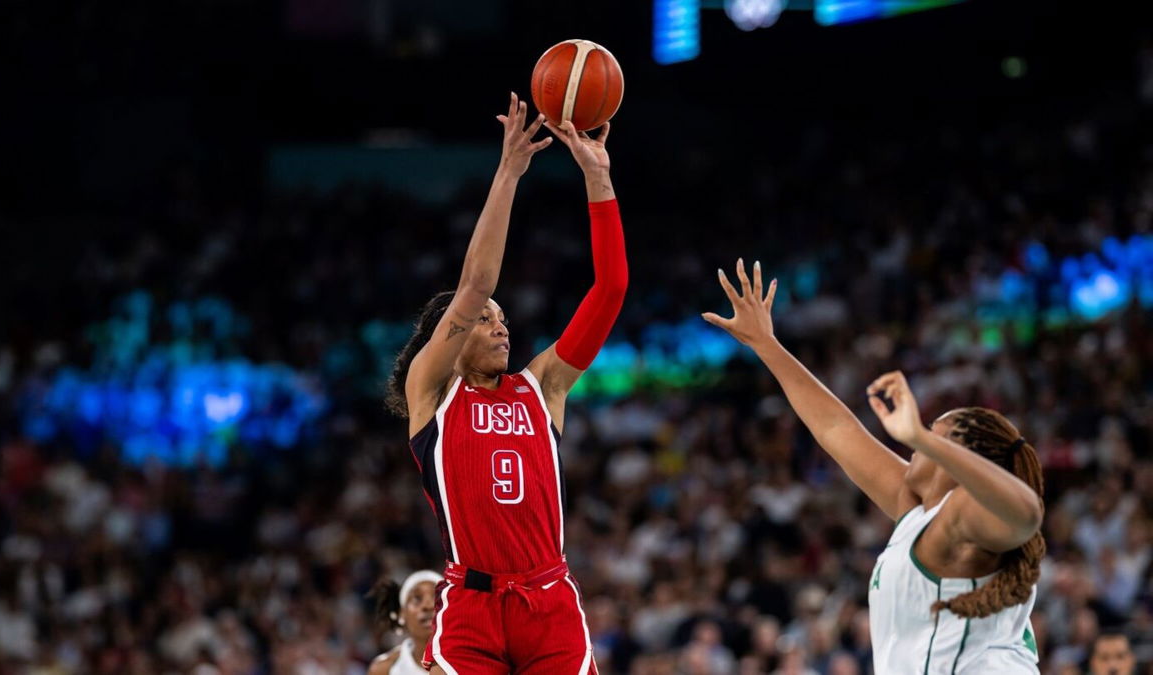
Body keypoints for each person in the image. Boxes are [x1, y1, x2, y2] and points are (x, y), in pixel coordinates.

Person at [703, 259, 1046, 673]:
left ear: (958, 461)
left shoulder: (960, 518)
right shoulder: (916, 512)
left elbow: (1027, 514)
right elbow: (835, 428)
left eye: (933, 435)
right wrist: (767, 345)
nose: (916, 443)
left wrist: (918, 437)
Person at [384, 93, 627, 674]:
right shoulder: (434, 391)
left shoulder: (541, 387)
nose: (501, 326)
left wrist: (599, 182)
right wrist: (509, 172)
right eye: (486, 319)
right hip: (471, 604)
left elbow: (611, 289)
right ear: (452, 331)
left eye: (504, 319)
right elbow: (477, 282)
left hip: (548, 599)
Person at [368, 571, 442, 675]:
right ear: (402, 613)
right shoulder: (384, 668)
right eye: (417, 598)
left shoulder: (469, 660)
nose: (428, 605)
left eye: (437, 597)